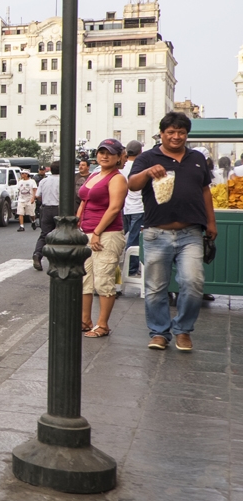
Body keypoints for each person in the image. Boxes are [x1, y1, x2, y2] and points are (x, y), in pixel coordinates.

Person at [128, 111, 217, 352]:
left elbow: (205, 191)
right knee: (156, 287)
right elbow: (132, 185)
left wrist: (211, 222)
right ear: (162, 134)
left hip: (191, 233)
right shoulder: (147, 157)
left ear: (187, 134)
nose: (176, 136)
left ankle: (183, 330)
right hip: (157, 233)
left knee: (193, 282)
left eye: (181, 132)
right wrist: (147, 172)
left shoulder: (197, 158)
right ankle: (159, 332)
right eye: (171, 132)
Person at [78, 139, 128, 338]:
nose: (104, 156)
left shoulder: (117, 178)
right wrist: (76, 225)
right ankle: (85, 320)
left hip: (107, 234)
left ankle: (102, 324)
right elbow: (84, 201)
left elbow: (114, 208)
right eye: (101, 152)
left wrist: (97, 232)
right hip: (86, 232)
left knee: (103, 279)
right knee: (85, 278)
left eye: (110, 153)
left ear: (118, 157)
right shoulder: (94, 175)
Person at [119, 140, 145, 276]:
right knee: (134, 240)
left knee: (122, 236)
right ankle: (131, 268)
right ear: (140, 152)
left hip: (124, 206)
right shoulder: (140, 166)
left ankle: (121, 264)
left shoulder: (122, 167)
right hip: (139, 207)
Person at [32, 161, 61, 271]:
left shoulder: (44, 181)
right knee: (60, 235)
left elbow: (38, 195)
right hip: (59, 209)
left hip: (46, 208)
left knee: (44, 234)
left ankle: (37, 254)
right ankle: (57, 260)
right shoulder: (63, 181)